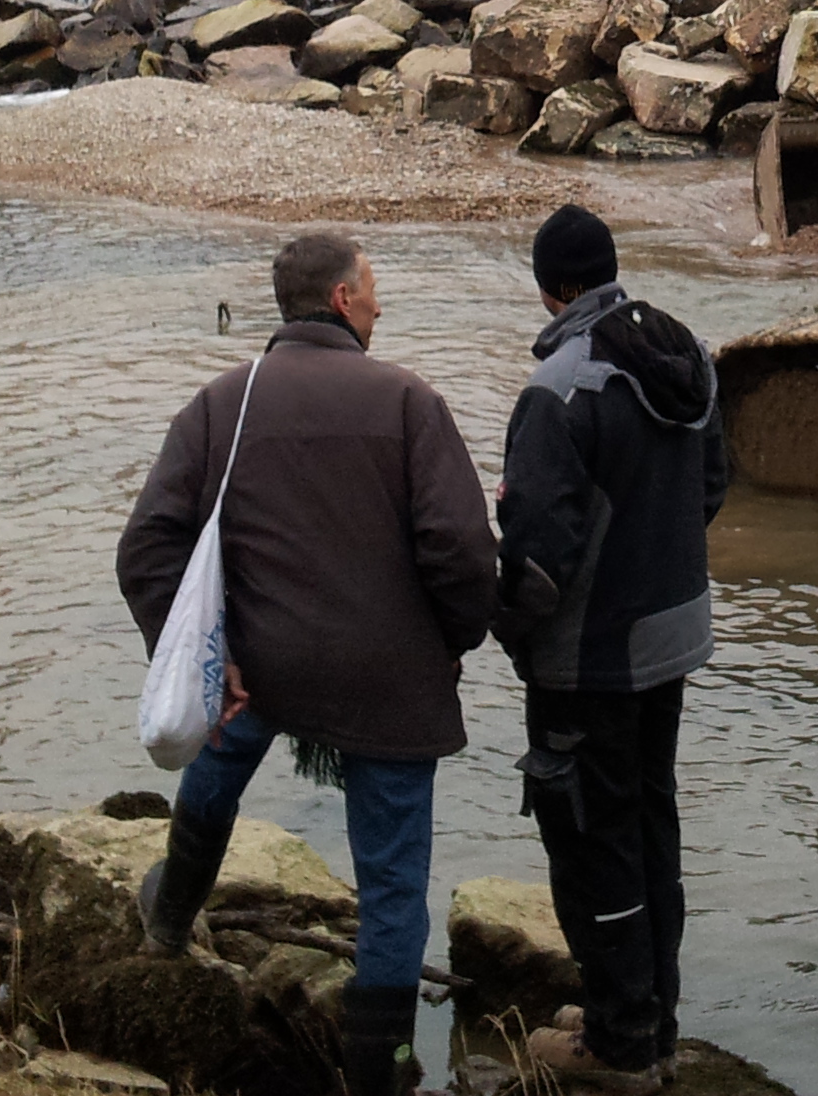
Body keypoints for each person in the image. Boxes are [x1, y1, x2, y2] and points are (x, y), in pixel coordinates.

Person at [116, 231, 493, 1096]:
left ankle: (168, 921)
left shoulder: (222, 402)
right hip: (387, 681)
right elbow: (463, 552)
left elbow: (145, 549)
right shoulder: (410, 402)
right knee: (392, 886)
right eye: (372, 289)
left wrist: (213, 657)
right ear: (341, 301)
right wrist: (454, 640)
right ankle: (381, 1073)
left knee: (217, 763)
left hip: (263, 666)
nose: (380, 305)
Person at [495, 205, 728, 1094]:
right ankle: (649, 1017)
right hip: (672, 638)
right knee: (650, 821)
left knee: (592, 838)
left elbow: (536, 562)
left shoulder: (558, 390)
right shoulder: (684, 351)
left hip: (590, 656)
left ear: (553, 287)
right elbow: (710, 487)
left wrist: (500, 628)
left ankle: (621, 1044)